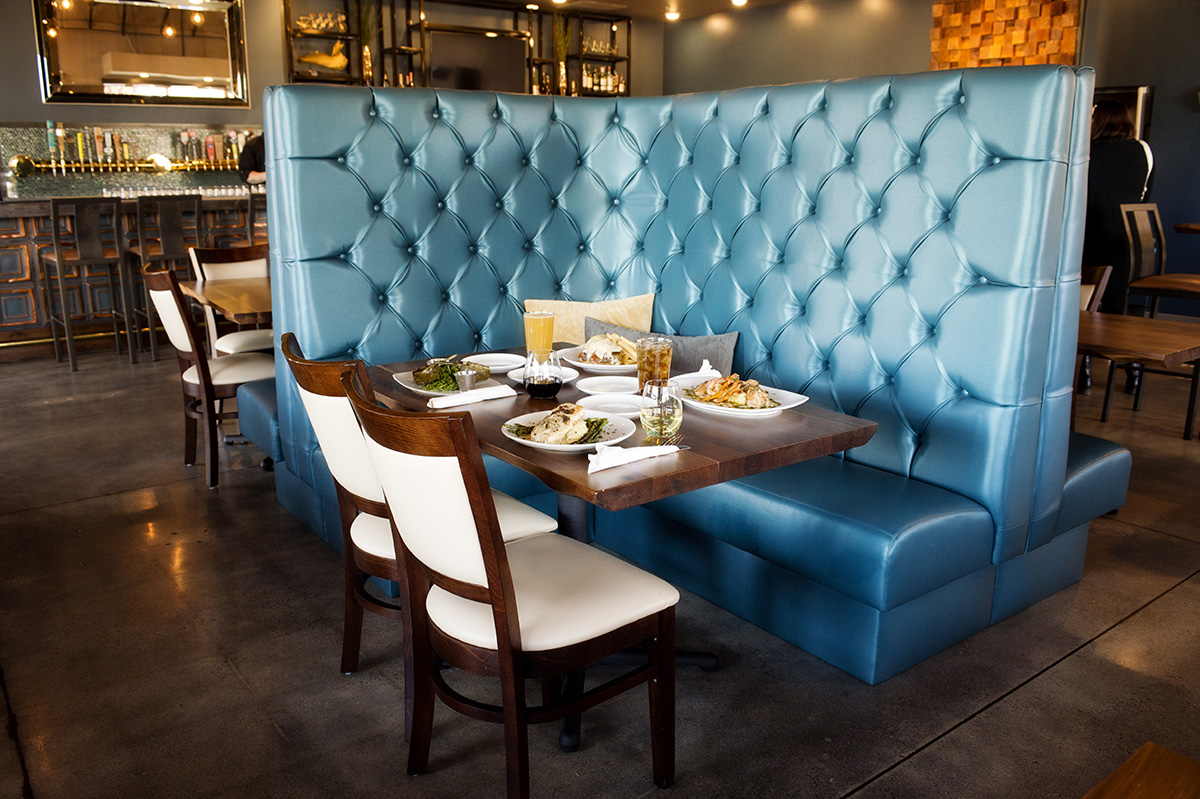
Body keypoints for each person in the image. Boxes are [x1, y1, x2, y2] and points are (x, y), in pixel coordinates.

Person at [1080, 101, 1154, 392]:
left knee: (1085, 306)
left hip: (1087, 244)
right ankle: (1132, 370)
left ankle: (1083, 370)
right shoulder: (1143, 151)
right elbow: (1144, 196)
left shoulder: (1081, 153)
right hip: (1130, 249)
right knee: (1119, 305)